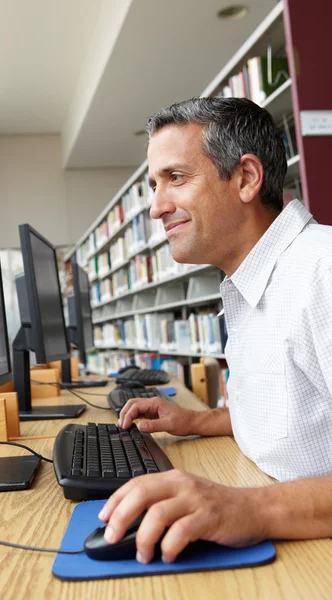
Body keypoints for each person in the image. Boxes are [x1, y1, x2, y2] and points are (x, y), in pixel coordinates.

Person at [97, 97, 332, 565]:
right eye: (153, 186)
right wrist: (196, 421)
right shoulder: (245, 283)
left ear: (245, 178)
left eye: (176, 178)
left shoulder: (321, 271)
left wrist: (246, 507)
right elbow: (302, 415)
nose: (156, 208)